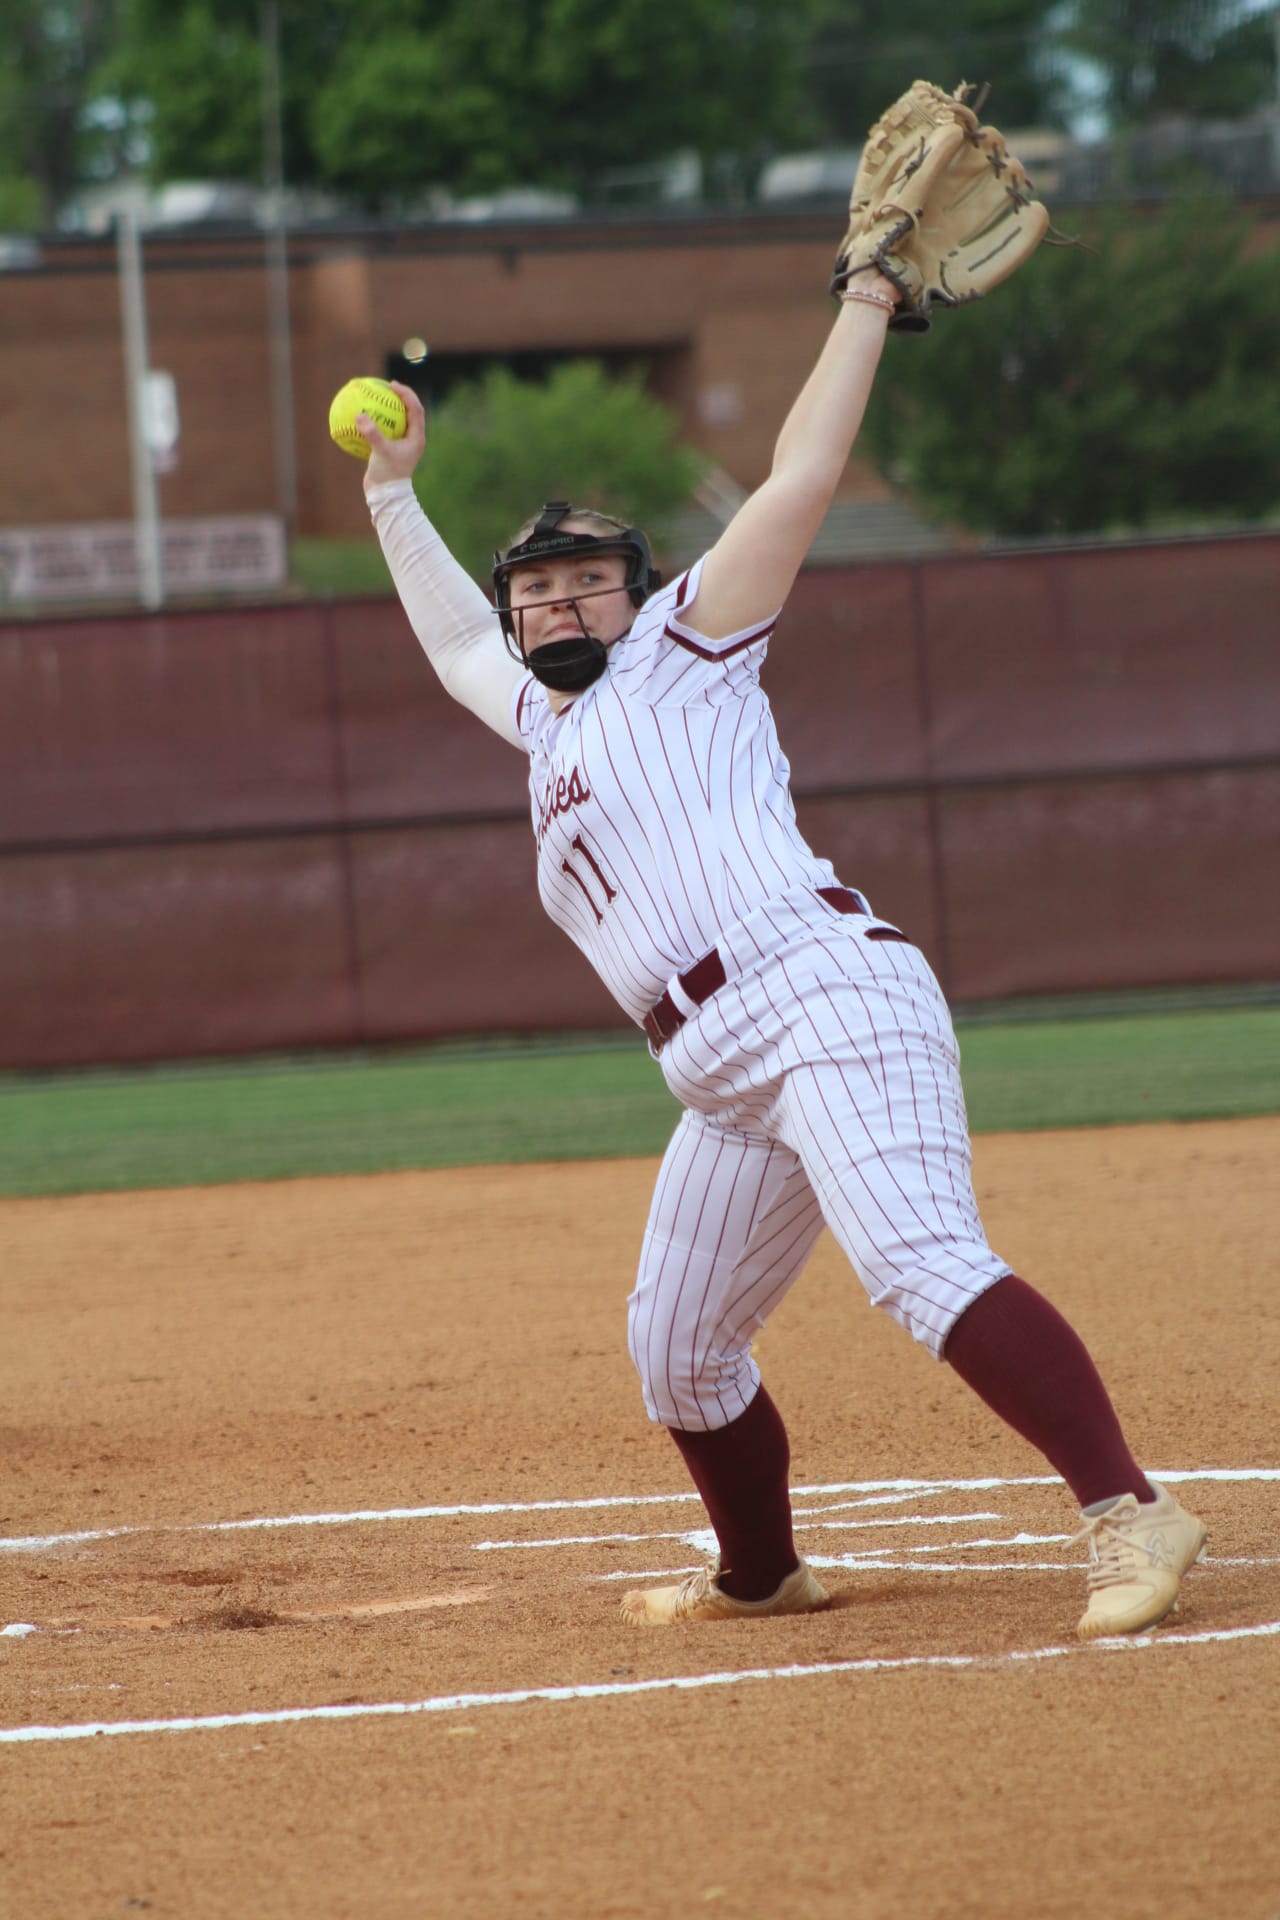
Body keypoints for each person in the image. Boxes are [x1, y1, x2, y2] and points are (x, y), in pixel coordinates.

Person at [353, 270, 1207, 1640]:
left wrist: (866, 299)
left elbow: (802, 472)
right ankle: (760, 1572)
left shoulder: (686, 646)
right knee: (677, 1349)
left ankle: (1130, 1508)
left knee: (919, 1260)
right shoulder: (544, 726)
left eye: (586, 582)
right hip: (715, 1068)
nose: (559, 603)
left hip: (819, 991)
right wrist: (395, 494)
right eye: (537, 590)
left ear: (635, 596)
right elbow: (454, 638)